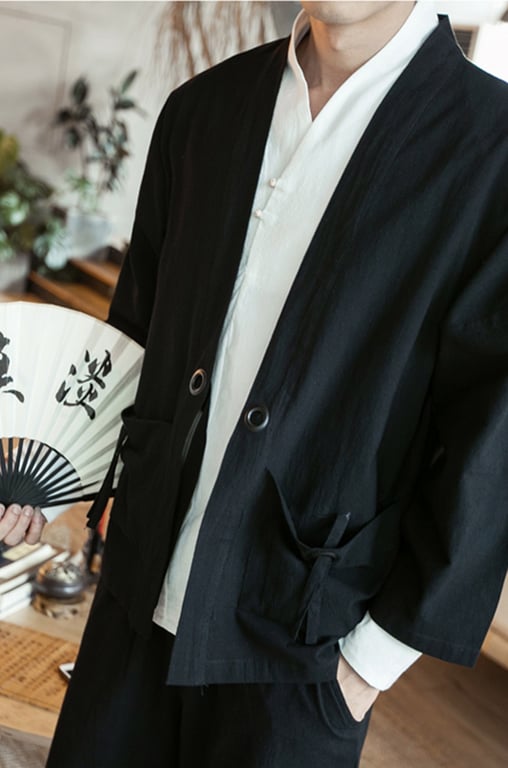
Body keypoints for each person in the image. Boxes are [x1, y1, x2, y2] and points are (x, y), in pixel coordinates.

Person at [2, 2, 507, 766]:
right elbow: (136, 341)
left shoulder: (490, 150)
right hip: (132, 606)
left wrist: (369, 664)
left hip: (303, 649)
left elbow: (493, 437)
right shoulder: (202, 110)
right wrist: (45, 479)